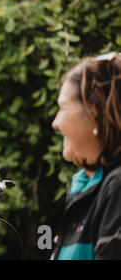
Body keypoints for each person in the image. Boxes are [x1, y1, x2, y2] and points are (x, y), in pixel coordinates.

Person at [51, 52, 121, 259]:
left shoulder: (117, 187)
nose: (55, 123)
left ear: (95, 114)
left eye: (63, 108)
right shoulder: (84, 183)